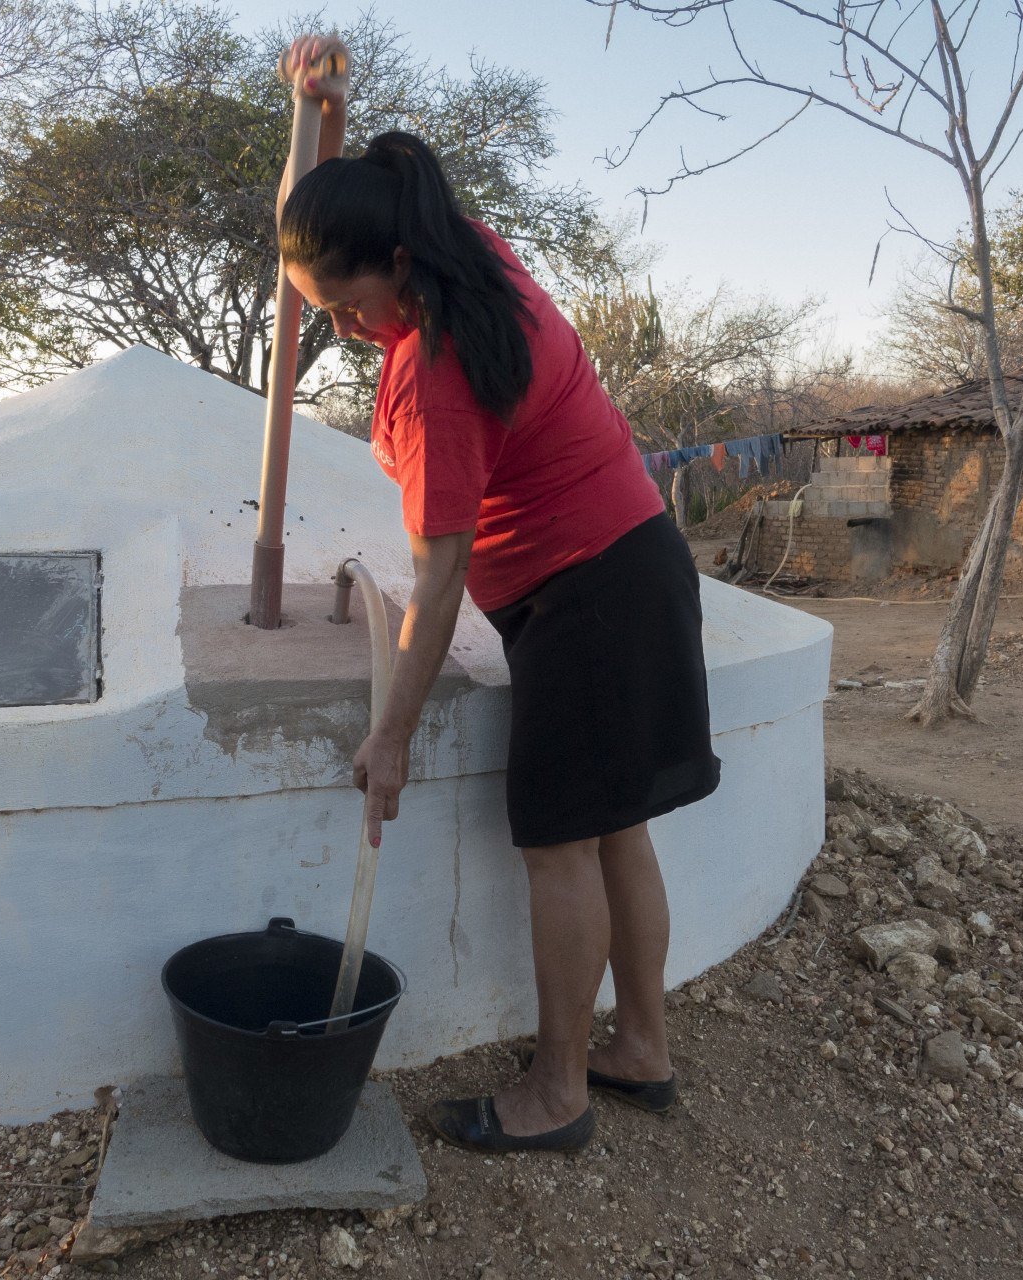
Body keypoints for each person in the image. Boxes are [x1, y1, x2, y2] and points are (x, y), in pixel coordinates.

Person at [277, 34, 720, 1155]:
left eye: (347, 305)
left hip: (586, 595)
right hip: (635, 567)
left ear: (393, 265)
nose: (341, 326)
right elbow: (310, 233)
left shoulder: (438, 375)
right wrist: (317, 118)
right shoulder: (465, 250)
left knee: (563, 843)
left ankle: (559, 1091)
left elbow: (439, 575)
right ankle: (643, 1048)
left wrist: (390, 735)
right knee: (617, 827)